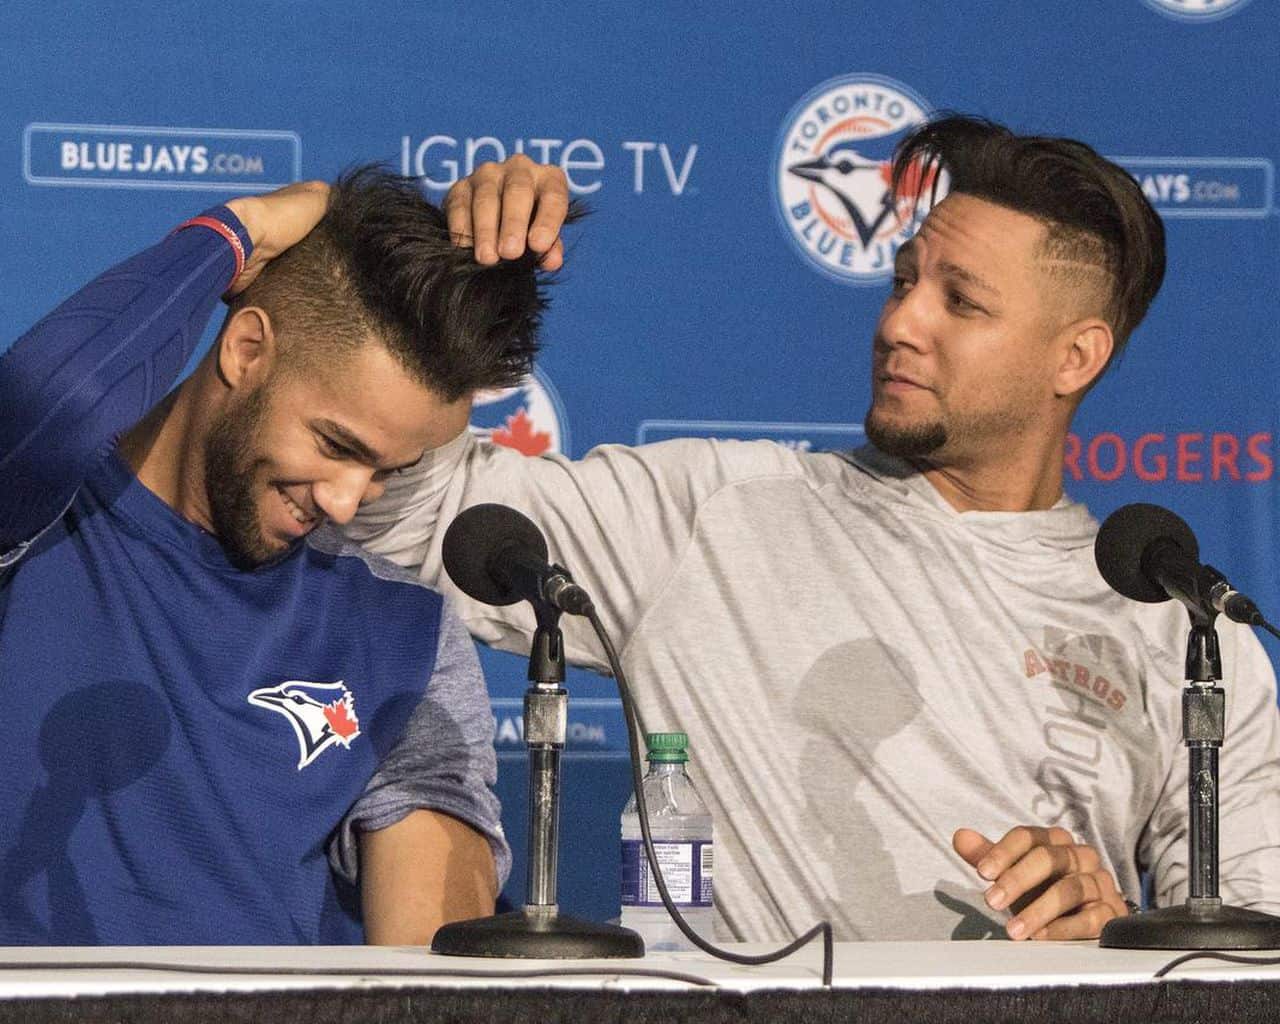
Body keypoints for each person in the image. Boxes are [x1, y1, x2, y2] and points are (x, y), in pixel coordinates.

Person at [344, 116, 1280, 943]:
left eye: (962, 302)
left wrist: (1111, 940)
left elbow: (1252, 950)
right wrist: (455, 297)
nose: (901, 321)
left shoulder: (1180, 622)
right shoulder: (715, 512)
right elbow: (397, 508)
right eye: (904, 281)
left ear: (1074, 357)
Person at [0, 167, 553, 944]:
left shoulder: (398, 631)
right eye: (335, 445)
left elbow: (431, 978)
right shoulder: (31, 519)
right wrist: (240, 231)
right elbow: (43, 400)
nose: (347, 501)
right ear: (247, 348)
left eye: (389, 470)